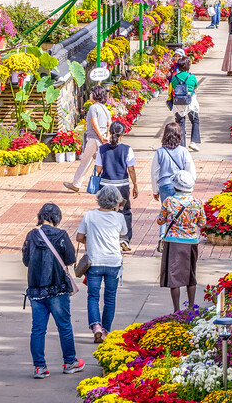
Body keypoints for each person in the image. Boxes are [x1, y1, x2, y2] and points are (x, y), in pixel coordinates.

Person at [22, 203, 84, 378]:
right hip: (58, 289)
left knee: (38, 329)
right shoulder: (61, 235)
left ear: (40, 216)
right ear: (57, 218)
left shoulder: (31, 235)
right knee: (64, 327)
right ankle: (70, 362)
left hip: (36, 290)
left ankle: (39, 367)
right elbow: (71, 260)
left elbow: (26, 260)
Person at [76, 186, 127, 344]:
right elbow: (123, 234)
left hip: (94, 262)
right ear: (116, 202)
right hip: (113, 262)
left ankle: (96, 326)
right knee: (110, 298)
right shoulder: (119, 218)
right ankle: (105, 330)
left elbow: (79, 237)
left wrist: (89, 240)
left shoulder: (89, 215)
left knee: (93, 296)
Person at [156, 170, 206, 311]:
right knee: (191, 274)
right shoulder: (197, 202)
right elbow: (202, 223)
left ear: (175, 186)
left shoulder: (169, 202)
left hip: (173, 242)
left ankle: (176, 309)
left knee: (174, 277)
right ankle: (191, 307)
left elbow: (160, 221)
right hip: (191, 242)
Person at [93, 121, 139, 248]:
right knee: (124, 211)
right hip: (121, 188)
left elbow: (98, 170)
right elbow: (131, 169)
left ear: (110, 132)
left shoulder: (102, 149)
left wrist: (95, 158)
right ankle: (124, 238)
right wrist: (135, 184)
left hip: (105, 187)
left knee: (106, 211)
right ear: (122, 134)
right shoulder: (127, 149)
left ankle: (106, 238)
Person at [65, 85, 111, 192]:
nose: (90, 94)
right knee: (101, 160)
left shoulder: (93, 107)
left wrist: (100, 136)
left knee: (86, 161)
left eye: (92, 92)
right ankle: (109, 183)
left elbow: (94, 123)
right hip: (103, 138)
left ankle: (76, 184)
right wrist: (107, 136)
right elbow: (110, 123)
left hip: (95, 138)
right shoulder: (105, 108)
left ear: (95, 95)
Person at [168, 58, 201, 151]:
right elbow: (195, 86)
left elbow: (173, 86)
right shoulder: (191, 77)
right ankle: (193, 142)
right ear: (188, 66)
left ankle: (182, 145)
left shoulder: (175, 77)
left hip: (178, 103)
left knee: (180, 123)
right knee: (195, 121)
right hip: (190, 102)